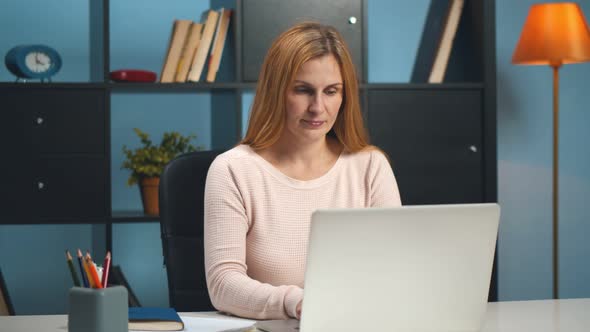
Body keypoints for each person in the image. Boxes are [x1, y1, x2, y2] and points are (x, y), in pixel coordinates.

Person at [204, 21, 402, 320]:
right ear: (276, 93)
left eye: (332, 91)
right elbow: (223, 284)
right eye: (303, 90)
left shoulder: (370, 167)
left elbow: (396, 270)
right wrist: (297, 303)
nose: (318, 107)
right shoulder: (233, 169)